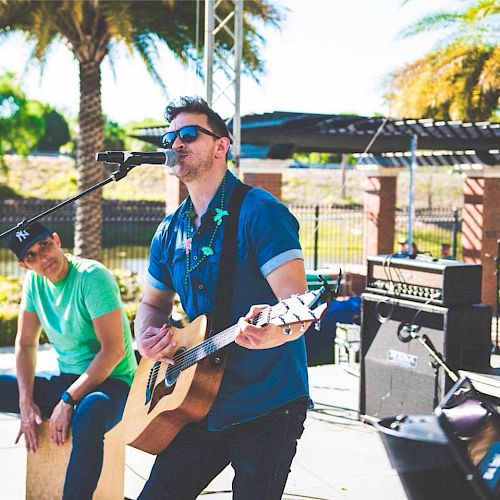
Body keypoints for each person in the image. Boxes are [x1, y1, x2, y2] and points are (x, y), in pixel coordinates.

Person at [135, 96, 310, 499]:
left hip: (267, 401)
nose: (176, 143)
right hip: (196, 401)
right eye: (170, 136)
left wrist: (275, 332)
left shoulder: (261, 212)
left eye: (189, 134)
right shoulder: (169, 230)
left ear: (221, 145)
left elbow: (298, 303)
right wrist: (145, 337)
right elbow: (152, 305)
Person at [0, 222, 137, 500]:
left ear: (57, 239)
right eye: (32, 256)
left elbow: (113, 351)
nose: (43, 257)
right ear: (25, 265)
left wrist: (68, 399)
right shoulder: (34, 283)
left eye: (45, 246)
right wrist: (25, 402)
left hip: (113, 382)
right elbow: (26, 344)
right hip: (68, 380)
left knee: (90, 413)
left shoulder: (92, 277)